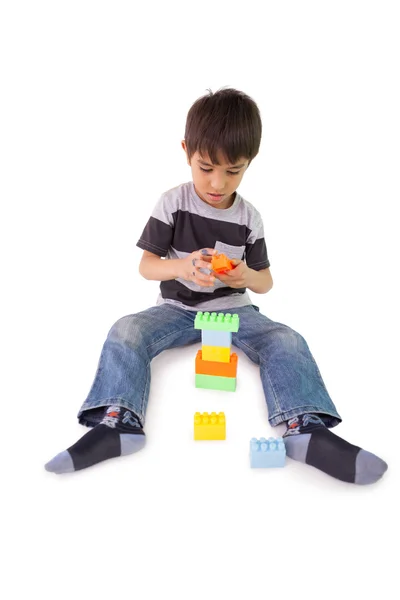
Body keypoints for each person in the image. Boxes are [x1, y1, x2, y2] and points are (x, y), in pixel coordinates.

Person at [45, 87, 388, 484]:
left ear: (250, 163)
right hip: (175, 310)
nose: (217, 182)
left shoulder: (249, 218)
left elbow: (265, 282)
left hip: (235, 310)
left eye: (233, 170)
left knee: (286, 340)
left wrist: (245, 276)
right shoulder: (172, 203)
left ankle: (306, 430)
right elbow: (146, 267)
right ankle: (119, 420)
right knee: (126, 329)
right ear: (186, 150)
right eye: (206, 167)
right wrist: (182, 266)